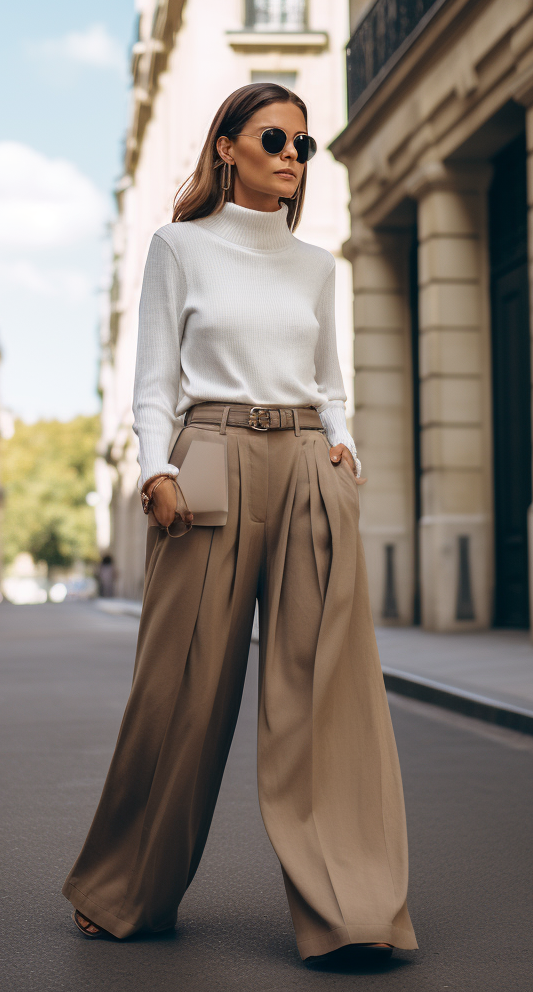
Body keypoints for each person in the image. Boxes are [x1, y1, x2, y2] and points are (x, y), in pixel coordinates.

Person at [62, 83, 417, 963]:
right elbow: (153, 382)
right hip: (210, 453)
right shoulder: (177, 248)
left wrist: (344, 445)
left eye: (305, 145)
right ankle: (125, 890)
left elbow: (329, 383)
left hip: (307, 465)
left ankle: (353, 911)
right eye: (273, 138)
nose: (292, 157)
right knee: (180, 689)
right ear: (227, 147)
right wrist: (156, 469)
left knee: (325, 698)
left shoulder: (317, 266)